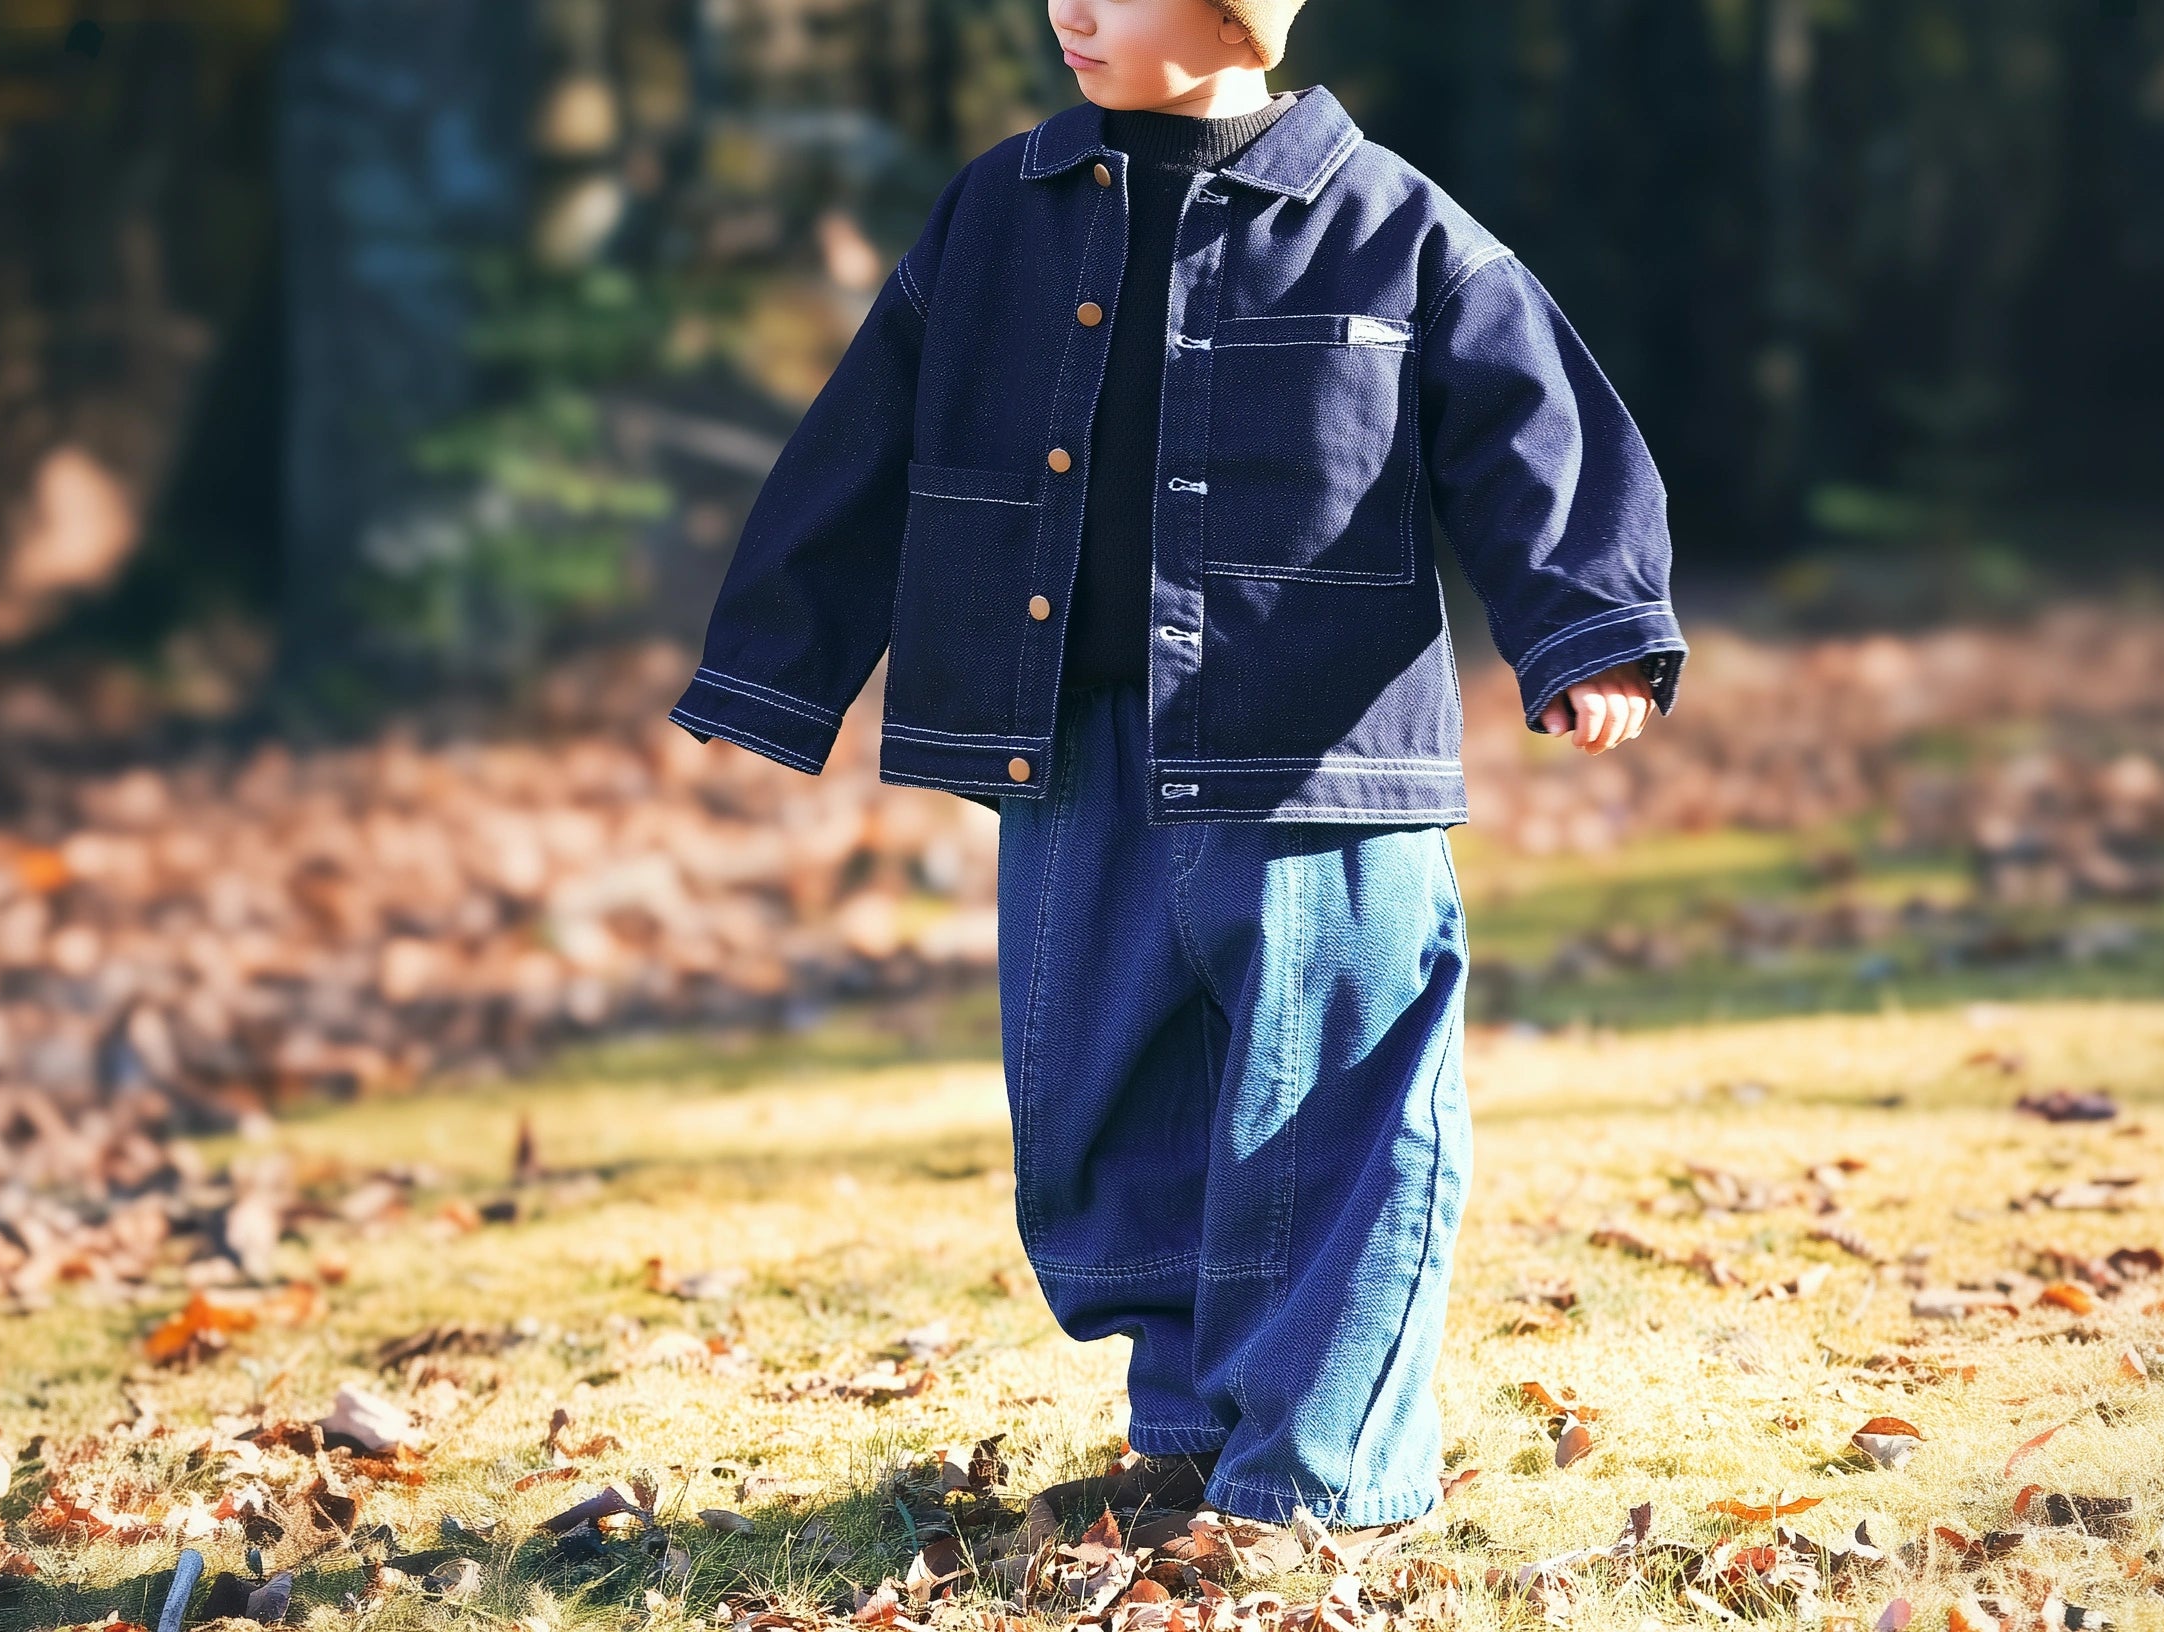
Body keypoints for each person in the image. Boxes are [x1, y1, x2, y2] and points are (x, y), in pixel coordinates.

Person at [670, 0, 1683, 1534]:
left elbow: (1533, 423)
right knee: (1100, 1111)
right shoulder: (996, 211)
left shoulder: (1390, 222)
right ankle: (1196, 1441)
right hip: (1071, 753)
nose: (1069, 6)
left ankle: (1323, 1487)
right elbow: (862, 445)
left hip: (1317, 763)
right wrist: (772, 674)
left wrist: (1586, 626)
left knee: (1338, 1109)